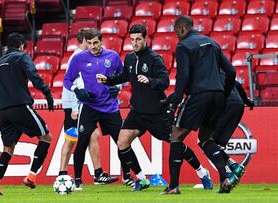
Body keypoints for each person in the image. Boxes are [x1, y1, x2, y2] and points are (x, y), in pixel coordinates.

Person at [96, 24, 213, 191]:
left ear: (145, 39)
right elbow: (124, 76)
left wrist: (150, 81)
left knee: (176, 143)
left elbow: (164, 81)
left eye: (138, 39)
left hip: (156, 112)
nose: (135, 43)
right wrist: (107, 79)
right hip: (137, 111)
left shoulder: (154, 58)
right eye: (132, 40)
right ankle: (142, 179)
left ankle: (203, 173)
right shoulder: (129, 58)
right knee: (122, 141)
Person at [162, 16, 236, 194]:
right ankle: (225, 178)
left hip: (198, 95)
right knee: (206, 139)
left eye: (176, 32)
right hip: (218, 95)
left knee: (176, 136)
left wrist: (176, 101)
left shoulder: (184, 45)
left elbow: (183, 76)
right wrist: (223, 93)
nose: (176, 36)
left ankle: (173, 186)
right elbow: (231, 71)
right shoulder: (211, 42)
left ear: (181, 29)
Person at [0, 32, 54, 195]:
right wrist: (47, 93)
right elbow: (34, 76)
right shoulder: (22, 57)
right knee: (46, 137)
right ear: (23, 46)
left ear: (7, 48)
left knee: (8, 148)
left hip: (4, 112)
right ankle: (31, 176)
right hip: (21, 107)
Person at [63, 28, 130, 190]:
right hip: (89, 106)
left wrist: (118, 86)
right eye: (90, 43)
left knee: (122, 142)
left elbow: (125, 77)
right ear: (86, 42)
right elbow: (67, 80)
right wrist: (77, 90)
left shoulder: (112, 56)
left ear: (102, 41)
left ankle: (128, 177)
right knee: (82, 141)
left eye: (96, 43)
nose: (93, 46)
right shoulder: (79, 58)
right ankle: (78, 181)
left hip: (109, 106)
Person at [212, 80, 254, 184]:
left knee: (207, 142)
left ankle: (228, 175)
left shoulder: (209, 77)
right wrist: (248, 102)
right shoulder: (225, 74)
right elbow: (237, 84)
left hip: (227, 107)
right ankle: (233, 166)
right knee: (215, 143)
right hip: (238, 107)